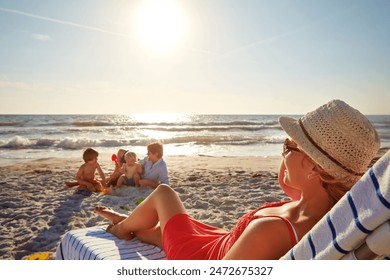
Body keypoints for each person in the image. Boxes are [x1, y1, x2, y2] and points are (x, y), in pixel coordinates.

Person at [94, 100, 380, 260]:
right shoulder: (321, 210)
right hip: (222, 240)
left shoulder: (272, 229)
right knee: (158, 231)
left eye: (288, 146)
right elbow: (292, 185)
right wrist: (291, 158)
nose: (282, 152)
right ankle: (132, 224)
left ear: (310, 166)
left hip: (205, 255)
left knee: (165, 194)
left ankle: (121, 229)